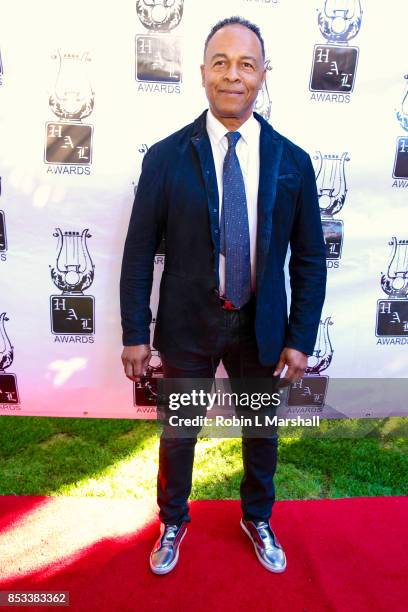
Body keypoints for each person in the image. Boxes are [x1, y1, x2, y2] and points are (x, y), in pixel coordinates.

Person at [120, 16, 327, 575]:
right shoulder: (165, 158)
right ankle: (172, 520)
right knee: (178, 433)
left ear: (263, 74)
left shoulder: (294, 162)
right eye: (221, 62)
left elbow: (309, 259)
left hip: (261, 326)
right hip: (188, 325)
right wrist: (135, 333)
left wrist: (300, 337)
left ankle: (257, 516)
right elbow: (139, 251)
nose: (232, 75)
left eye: (245, 64)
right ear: (203, 72)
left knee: (262, 431)